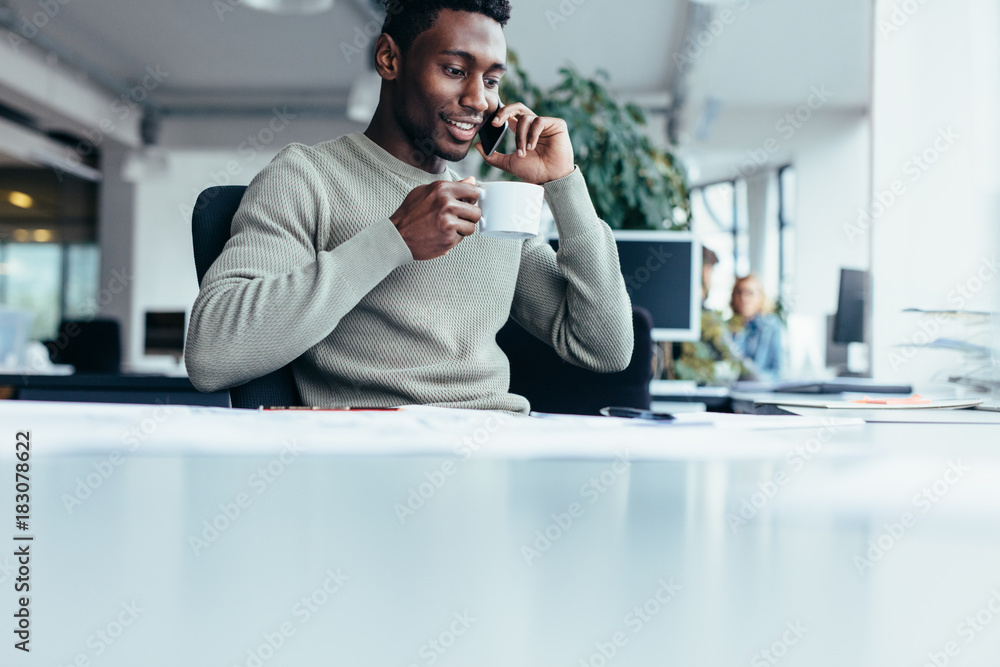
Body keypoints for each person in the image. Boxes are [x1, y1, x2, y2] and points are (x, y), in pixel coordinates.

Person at [184, 0, 633, 414]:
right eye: (456, 70)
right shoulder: (307, 178)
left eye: (492, 81)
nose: (479, 99)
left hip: (500, 453)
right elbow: (212, 355)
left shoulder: (489, 205)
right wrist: (393, 239)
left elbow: (605, 348)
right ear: (389, 59)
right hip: (381, 462)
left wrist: (563, 184)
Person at [671, 246, 746, 384]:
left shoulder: (673, 306)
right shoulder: (706, 317)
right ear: (704, 271)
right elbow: (735, 361)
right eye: (711, 272)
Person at [728, 274, 783, 380]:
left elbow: (778, 372)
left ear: (760, 297)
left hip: (761, 389)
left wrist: (758, 378)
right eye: (739, 292)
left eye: (750, 293)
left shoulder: (772, 327)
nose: (743, 298)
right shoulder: (725, 328)